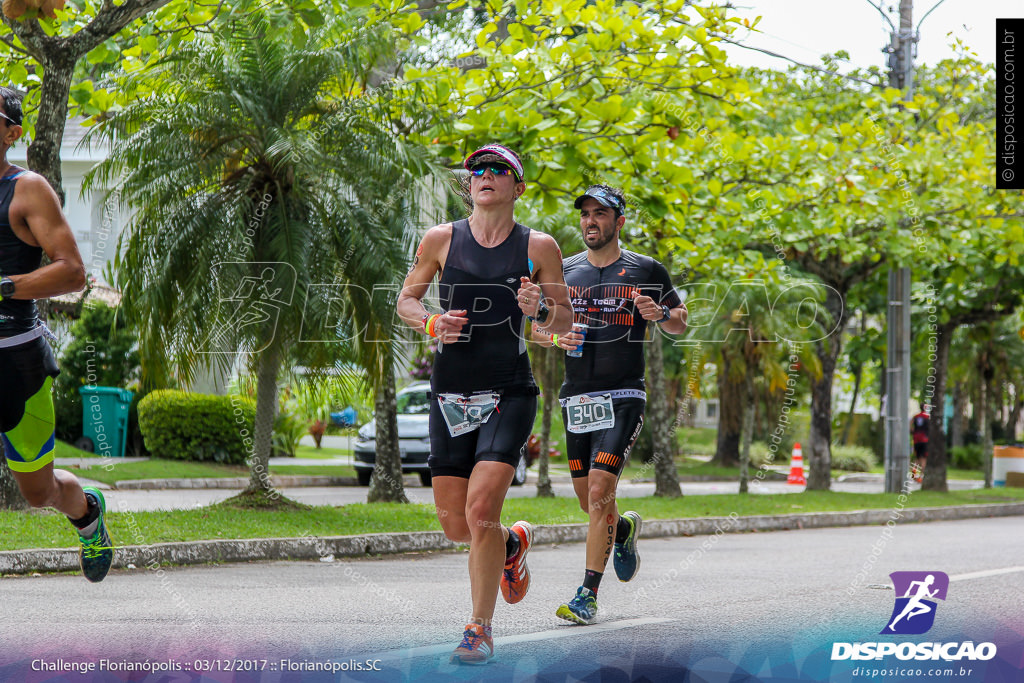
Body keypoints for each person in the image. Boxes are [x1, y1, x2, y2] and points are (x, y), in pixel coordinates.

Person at [397, 143, 572, 664]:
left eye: (499, 170)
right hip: (449, 392)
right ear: (468, 184)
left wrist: (540, 308)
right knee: (457, 526)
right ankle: (512, 545)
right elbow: (406, 298)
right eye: (477, 169)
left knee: (479, 510)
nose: (485, 176)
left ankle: (478, 628)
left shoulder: (538, 248)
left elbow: (562, 323)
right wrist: (430, 321)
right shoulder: (441, 239)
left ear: (518, 187)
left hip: (508, 392)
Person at [533, 184, 687, 625]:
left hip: (624, 395)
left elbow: (680, 321)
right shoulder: (564, 270)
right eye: (585, 214)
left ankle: (587, 594)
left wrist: (659, 314)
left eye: (600, 214)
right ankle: (623, 529)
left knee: (601, 491)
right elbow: (535, 326)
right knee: (589, 502)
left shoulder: (646, 269)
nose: (590, 221)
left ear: (618, 222)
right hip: (577, 396)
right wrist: (555, 335)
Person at [0, 87, 112, 582]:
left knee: (38, 493)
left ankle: (87, 515)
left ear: (12, 133)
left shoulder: (27, 190)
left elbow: (72, 273)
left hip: (15, 363)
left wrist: (4, 286)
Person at [911, 403, 930, 483]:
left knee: (917, 458)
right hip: (924, 440)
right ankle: (921, 477)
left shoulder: (915, 417)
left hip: (916, 440)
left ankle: (914, 476)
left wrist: (914, 433)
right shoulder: (927, 417)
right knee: (923, 459)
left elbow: (910, 427)